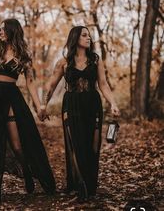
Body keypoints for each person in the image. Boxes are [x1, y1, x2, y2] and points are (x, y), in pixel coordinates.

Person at [0, 18, 55, 204]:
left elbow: (30, 82)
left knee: (17, 145)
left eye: (4, 29)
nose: (0, 32)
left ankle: (27, 172)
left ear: (13, 31)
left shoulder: (23, 55)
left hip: (11, 98)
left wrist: (39, 107)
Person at [42, 26, 120, 203]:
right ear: (75, 38)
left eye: (89, 36)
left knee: (93, 146)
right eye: (84, 35)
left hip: (93, 104)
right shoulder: (64, 62)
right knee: (74, 145)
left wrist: (113, 103)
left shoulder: (95, 59)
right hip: (72, 105)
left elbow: (103, 84)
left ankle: (90, 183)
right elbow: (51, 85)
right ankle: (81, 184)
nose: (88, 38)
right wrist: (43, 105)